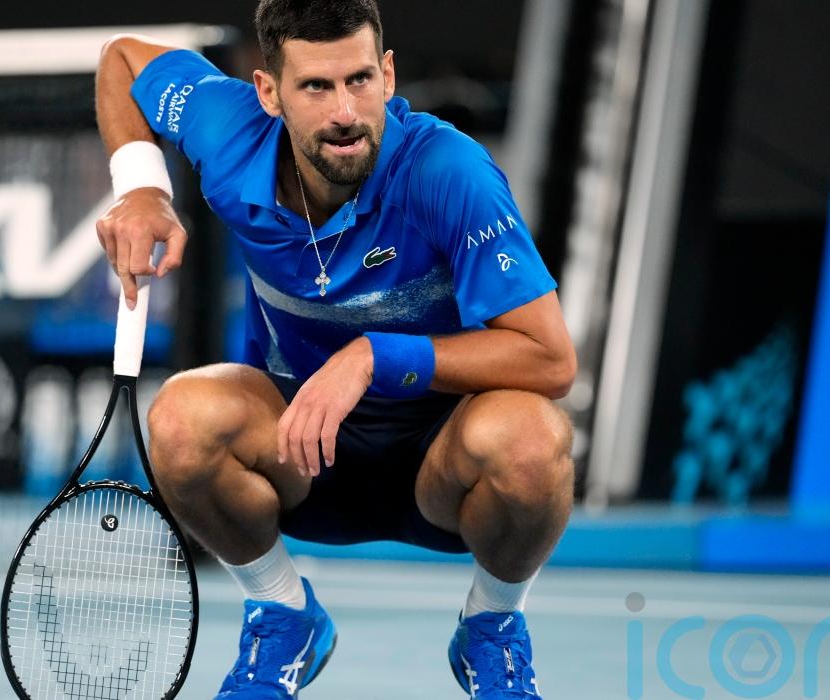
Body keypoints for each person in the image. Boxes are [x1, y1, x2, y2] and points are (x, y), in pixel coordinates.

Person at [94, 1, 577, 697]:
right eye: (316, 87)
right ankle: (282, 612)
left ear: (388, 75)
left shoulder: (448, 172)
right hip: (299, 455)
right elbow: (123, 60)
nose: (346, 112)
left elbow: (551, 359)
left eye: (359, 80)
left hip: (444, 463)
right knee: (179, 418)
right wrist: (142, 188)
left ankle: (492, 627)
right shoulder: (230, 135)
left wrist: (375, 356)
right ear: (269, 93)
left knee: (535, 440)